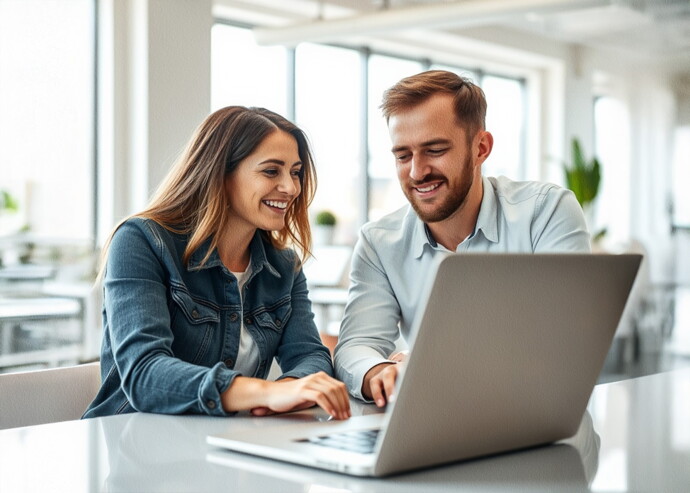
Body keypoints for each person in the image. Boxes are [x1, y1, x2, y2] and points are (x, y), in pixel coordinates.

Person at [334, 70, 590, 407]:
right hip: (434, 424)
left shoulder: (546, 212)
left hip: (540, 417)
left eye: (435, 150)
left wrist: (430, 366)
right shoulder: (379, 242)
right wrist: (380, 372)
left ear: (481, 148)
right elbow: (356, 345)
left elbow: (566, 339)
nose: (416, 172)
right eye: (403, 155)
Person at [84, 106, 350, 420]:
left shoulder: (284, 267)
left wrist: (293, 388)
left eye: (295, 172)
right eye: (271, 171)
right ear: (220, 173)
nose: (291, 188)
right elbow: (145, 373)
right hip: (134, 445)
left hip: (226, 443)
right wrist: (267, 392)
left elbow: (309, 355)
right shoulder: (141, 242)